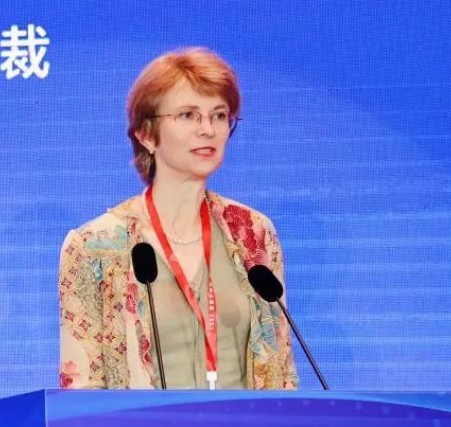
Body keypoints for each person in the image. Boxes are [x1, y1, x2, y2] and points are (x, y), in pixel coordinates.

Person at [58, 47, 298, 390]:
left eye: (219, 115)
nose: (208, 130)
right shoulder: (94, 246)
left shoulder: (252, 233)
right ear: (146, 133)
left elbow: (282, 373)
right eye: (188, 115)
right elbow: (81, 391)